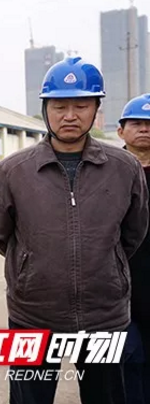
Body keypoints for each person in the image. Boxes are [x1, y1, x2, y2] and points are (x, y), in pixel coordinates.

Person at [0, 56, 149, 404]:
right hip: (31, 314)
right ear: (45, 109)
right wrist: (32, 266)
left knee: (106, 397)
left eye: (81, 106)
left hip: (104, 315)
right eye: (59, 106)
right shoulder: (12, 171)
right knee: (29, 399)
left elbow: (133, 232)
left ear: (96, 110)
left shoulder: (125, 168)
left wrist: (106, 264)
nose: (69, 115)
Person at [117, 94, 150, 404]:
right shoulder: (107, 172)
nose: (145, 129)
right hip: (118, 292)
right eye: (137, 123)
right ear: (121, 131)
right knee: (127, 364)